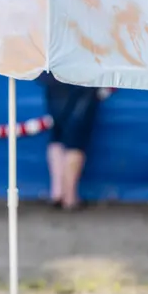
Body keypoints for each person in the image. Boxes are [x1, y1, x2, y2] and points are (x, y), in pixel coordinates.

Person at [42, 73, 99, 211]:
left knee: (57, 133)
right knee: (76, 137)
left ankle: (56, 193)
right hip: (84, 77)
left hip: (54, 76)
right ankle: (70, 197)